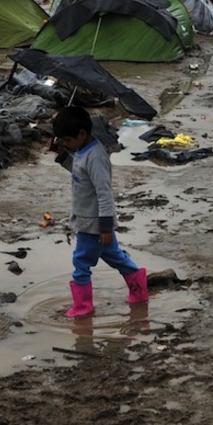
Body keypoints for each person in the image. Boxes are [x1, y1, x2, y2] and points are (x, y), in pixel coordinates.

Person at [51, 105, 148, 317]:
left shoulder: (96, 157)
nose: (65, 144)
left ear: (82, 133)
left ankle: (83, 307)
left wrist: (104, 227)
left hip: (94, 224)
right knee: (117, 258)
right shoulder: (81, 151)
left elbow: (105, 195)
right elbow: (79, 174)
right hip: (92, 221)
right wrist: (62, 156)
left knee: (81, 263)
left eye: (67, 140)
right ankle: (139, 291)